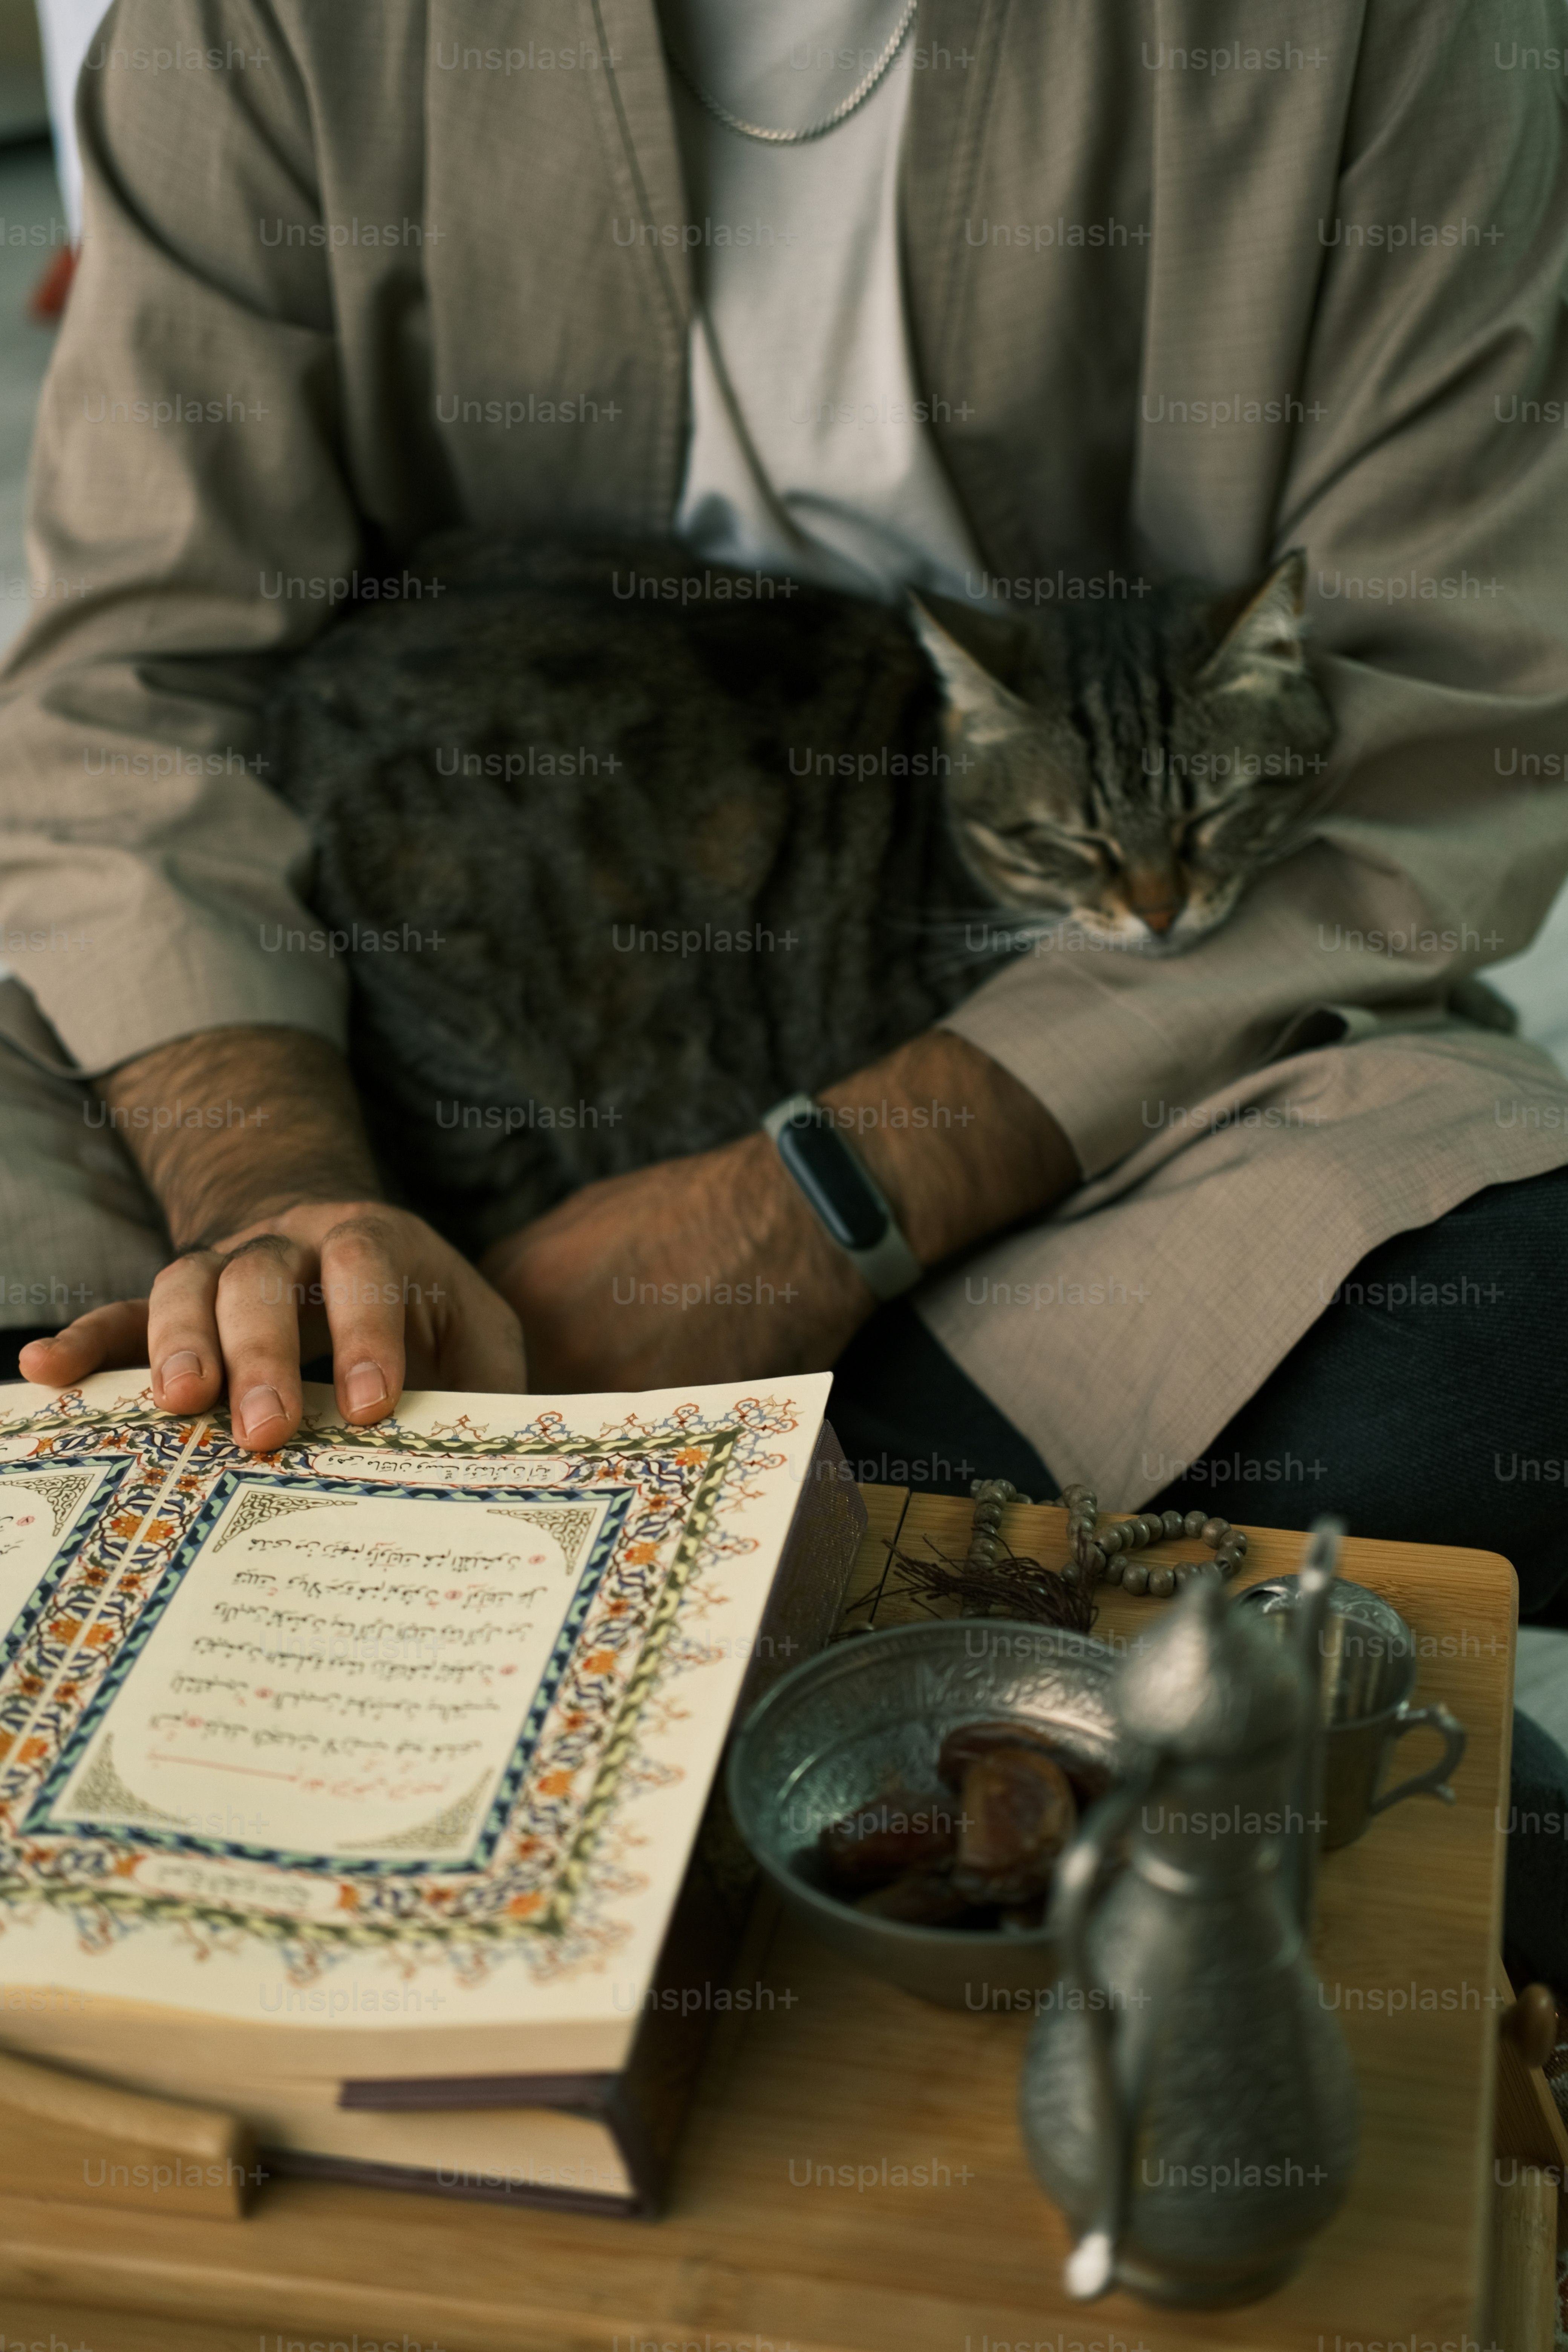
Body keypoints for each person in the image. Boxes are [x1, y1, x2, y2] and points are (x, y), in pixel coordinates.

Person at [2, 0, 1567, 1662]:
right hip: (364, 1027)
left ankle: (452, 1504)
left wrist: (810, 1207)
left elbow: (1427, 752)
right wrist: (281, 1201)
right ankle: (870, 1564)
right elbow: (129, 685)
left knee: (1514, 1344)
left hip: (1091, 1067)